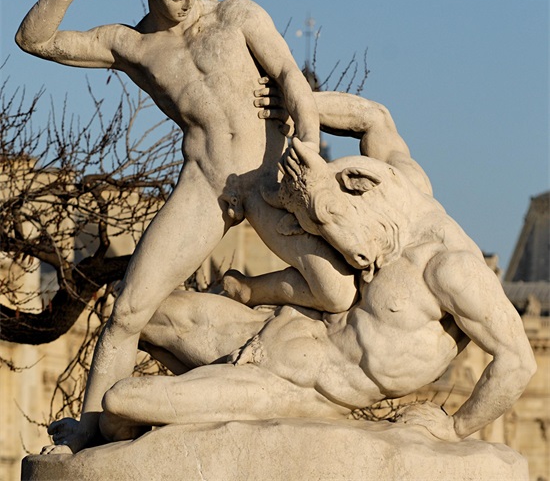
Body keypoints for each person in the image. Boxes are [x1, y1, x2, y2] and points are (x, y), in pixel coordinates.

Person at [16, 0, 357, 454]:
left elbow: (290, 75)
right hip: (208, 185)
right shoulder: (132, 45)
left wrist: (306, 147)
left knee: (335, 291)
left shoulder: (235, 16)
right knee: (128, 310)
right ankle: (88, 428)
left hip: (267, 178)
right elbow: (34, 39)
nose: (189, 4)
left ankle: (249, 295)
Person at [46, 92, 536, 448]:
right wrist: (297, 105)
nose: (350, 254)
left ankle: (169, 424)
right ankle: (154, 416)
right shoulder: (403, 183)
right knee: (140, 312)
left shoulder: (453, 270)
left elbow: (518, 360)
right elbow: (374, 117)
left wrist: (454, 427)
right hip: (271, 332)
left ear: (360, 188)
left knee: (122, 401)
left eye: (330, 222)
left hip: (300, 387)